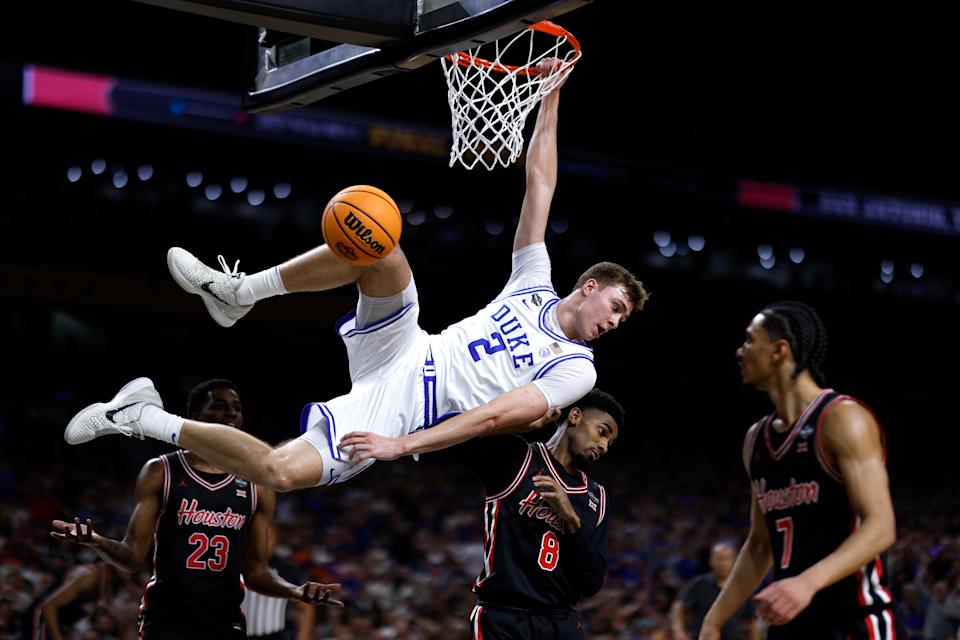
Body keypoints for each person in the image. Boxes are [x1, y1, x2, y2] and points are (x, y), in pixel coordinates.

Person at [62, 60, 648, 491]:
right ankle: (238, 293)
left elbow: (492, 417)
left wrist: (402, 444)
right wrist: (549, 96)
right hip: (411, 343)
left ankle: (141, 415)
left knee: (275, 471)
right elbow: (540, 185)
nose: (614, 322)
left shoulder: (576, 369)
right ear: (589, 287)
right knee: (380, 246)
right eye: (616, 307)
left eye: (622, 319)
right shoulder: (535, 280)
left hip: (405, 410)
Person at [52, 379, 342, 639]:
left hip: (225, 621)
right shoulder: (160, 471)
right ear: (195, 419)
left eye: (236, 408)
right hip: (166, 619)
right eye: (219, 406)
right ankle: (142, 414)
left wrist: (294, 592)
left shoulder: (258, 485)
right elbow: (132, 558)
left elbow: (254, 572)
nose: (231, 413)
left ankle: (144, 414)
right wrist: (96, 541)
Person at [699, 301, 905, 640]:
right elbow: (760, 544)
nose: (740, 351)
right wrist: (714, 620)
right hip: (791, 622)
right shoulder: (756, 440)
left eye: (750, 340)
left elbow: (881, 527)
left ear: (780, 350)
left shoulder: (842, 418)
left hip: (854, 618)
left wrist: (806, 582)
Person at [445, 388, 621, 640]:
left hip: (562, 622)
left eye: (610, 442)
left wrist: (571, 521)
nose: (603, 446)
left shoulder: (598, 498)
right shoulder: (518, 458)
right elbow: (458, 433)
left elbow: (592, 583)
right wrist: (520, 424)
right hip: (504, 617)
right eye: (602, 432)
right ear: (574, 416)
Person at [242, 525, 317, 640]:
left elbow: (305, 607)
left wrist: (302, 637)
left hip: (273, 635)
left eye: (268, 538)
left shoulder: (287, 570)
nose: (264, 543)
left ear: (276, 541)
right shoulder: (235, 564)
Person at [671, 541, 757, 640]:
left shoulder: (742, 587)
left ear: (735, 561)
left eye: (726, 559)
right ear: (711, 561)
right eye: (719, 558)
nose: (722, 563)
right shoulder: (699, 584)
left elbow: (751, 620)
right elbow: (678, 605)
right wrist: (678, 631)